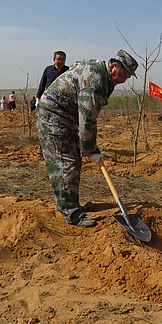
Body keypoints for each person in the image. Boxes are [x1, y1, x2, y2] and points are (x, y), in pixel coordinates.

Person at [36, 49, 138, 227]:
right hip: (53, 117)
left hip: (65, 118)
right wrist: (90, 149)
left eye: (126, 78)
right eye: (121, 75)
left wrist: (90, 148)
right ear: (112, 66)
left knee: (73, 159)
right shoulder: (96, 81)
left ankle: (67, 204)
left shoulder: (102, 72)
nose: (122, 80)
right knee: (66, 162)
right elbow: (88, 120)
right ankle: (71, 214)